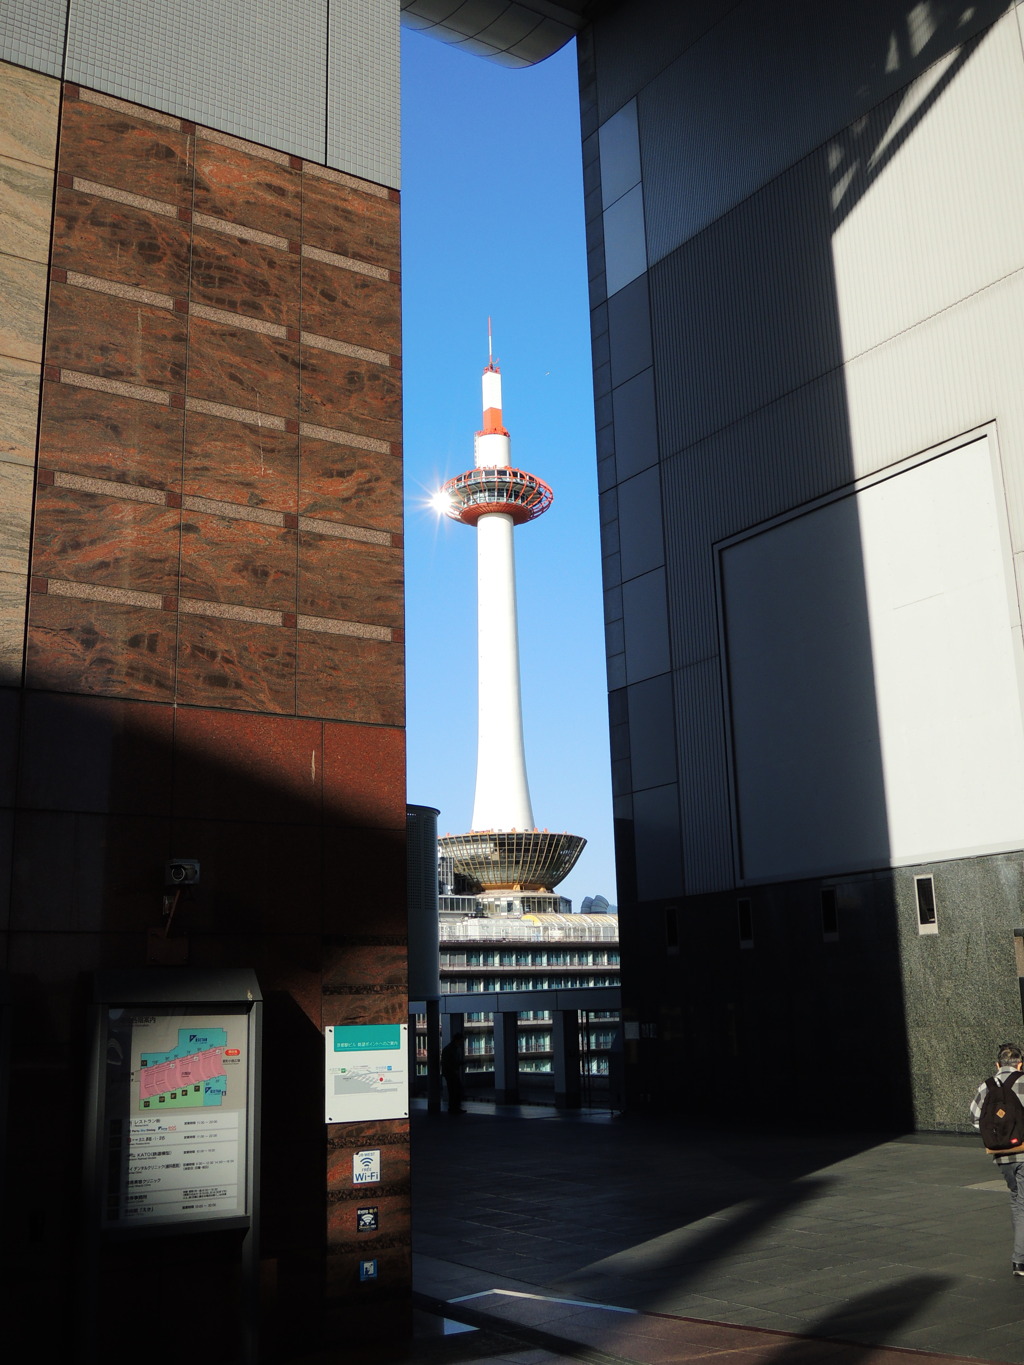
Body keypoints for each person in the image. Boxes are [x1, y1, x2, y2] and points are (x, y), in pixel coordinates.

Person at [970, 1041, 1024, 1276]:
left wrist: (1000, 1135)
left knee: (1017, 1200)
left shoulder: (987, 1086)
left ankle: (1021, 1256)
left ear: (997, 1064)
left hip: (1002, 1155)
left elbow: (975, 1118)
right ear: (1020, 1063)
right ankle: (1020, 1259)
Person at [440, 1030, 465, 1114]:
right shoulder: (451, 1049)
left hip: (450, 1072)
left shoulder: (450, 1048)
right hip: (451, 1073)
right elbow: (448, 1062)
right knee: (455, 1090)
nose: (462, 1042)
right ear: (457, 1040)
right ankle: (454, 1108)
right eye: (461, 1040)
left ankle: (454, 1108)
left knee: (454, 1090)